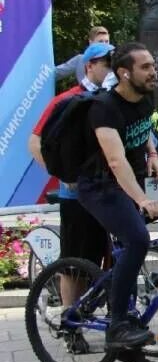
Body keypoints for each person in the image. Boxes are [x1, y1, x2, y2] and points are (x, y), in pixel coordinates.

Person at [74, 42, 158, 362]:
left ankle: (127, 346)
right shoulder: (104, 107)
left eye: (153, 65)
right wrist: (141, 198)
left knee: (129, 251)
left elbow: (143, 133)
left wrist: (153, 155)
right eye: (145, 67)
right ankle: (117, 325)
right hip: (100, 187)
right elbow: (114, 159)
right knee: (138, 240)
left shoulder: (144, 99)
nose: (153, 71)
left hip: (128, 184)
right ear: (124, 73)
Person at [29, 43, 115, 313]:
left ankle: (94, 313)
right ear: (90, 65)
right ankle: (70, 322)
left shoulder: (113, 100)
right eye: (107, 64)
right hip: (77, 195)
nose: (112, 69)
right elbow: (35, 142)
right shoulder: (67, 100)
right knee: (75, 262)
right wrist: (62, 176)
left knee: (106, 257)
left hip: (109, 192)